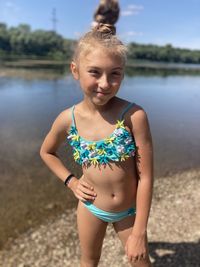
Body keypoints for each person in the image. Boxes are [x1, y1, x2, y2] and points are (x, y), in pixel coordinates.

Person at [40, 23, 153, 267]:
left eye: (115, 73)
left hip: (129, 212)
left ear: (123, 73)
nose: (105, 83)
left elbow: (146, 178)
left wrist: (139, 232)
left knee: (142, 263)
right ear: (75, 70)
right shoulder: (67, 119)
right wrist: (71, 182)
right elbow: (46, 152)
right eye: (94, 72)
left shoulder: (133, 116)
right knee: (89, 261)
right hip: (90, 207)